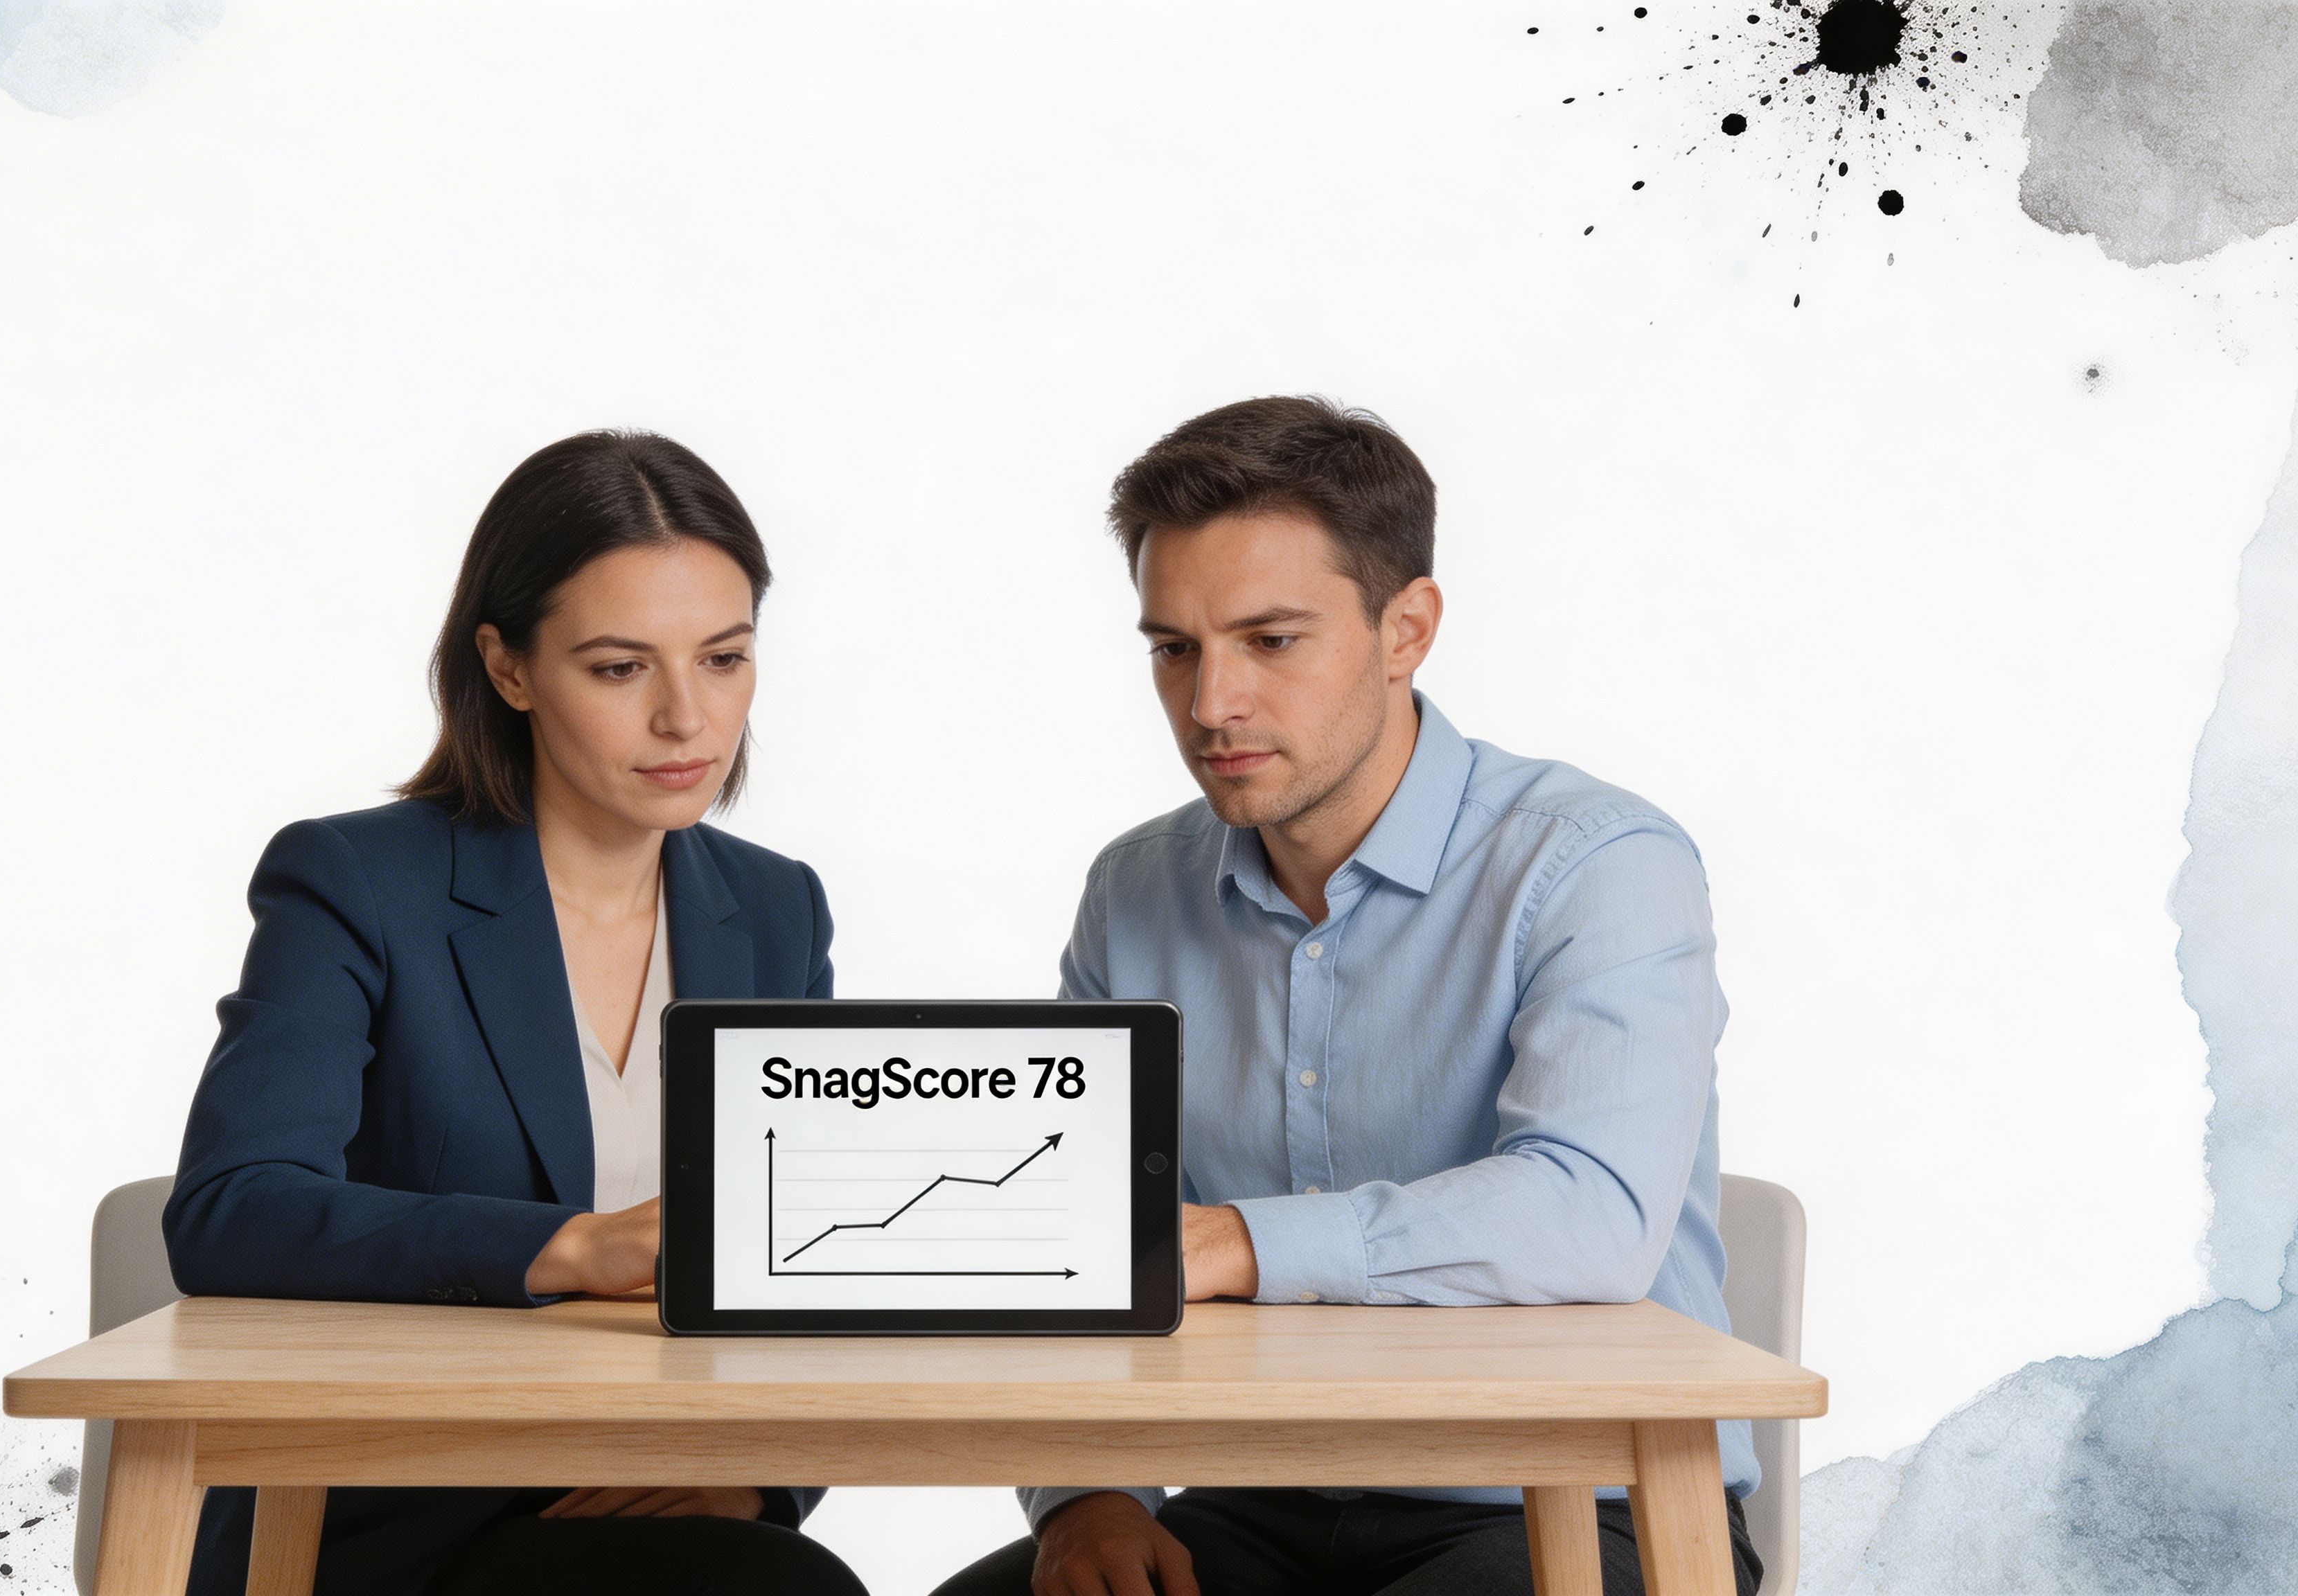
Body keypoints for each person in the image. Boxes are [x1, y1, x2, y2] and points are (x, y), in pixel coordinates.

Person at [934, 397, 1762, 1596]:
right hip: (1256, 1504)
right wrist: (1090, 1496)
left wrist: (1238, 1242)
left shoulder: (1597, 864)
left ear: (1406, 628)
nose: (1210, 705)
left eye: (1271, 642)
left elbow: (1588, 1215)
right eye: (1174, 648)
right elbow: (1076, 1240)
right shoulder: (1133, 892)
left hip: (1569, 1500)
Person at [163, 430, 865, 1596]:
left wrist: (759, 1482)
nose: (688, 719)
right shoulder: (355, 883)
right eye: (619, 668)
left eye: (726, 658)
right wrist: (573, 1249)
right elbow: (233, 1210)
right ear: (508, 668)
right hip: (391, 1518)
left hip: (662, 1501)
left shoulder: (775, 910)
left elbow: (810, 1262)